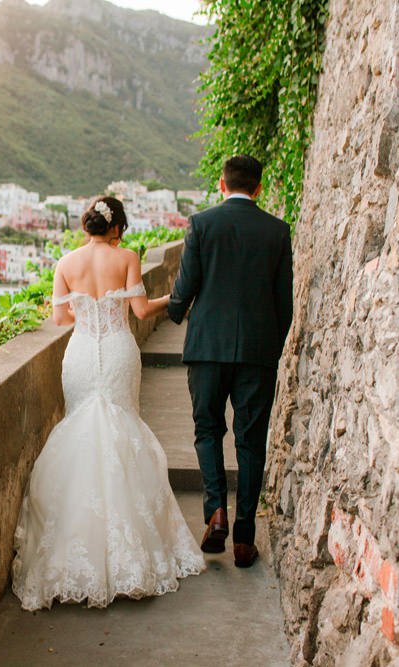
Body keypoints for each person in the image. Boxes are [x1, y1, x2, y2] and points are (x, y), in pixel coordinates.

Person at [12, 196, 205, 611]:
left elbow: (62, 320)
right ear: (116, 226)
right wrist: (174, 298)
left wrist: (88, 312)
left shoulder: (65, 263)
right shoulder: (127, 257)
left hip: (81, 354)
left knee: (81, 430)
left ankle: (76, 546)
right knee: (122, 431)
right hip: (117, 351)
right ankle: (131, 551)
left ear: (87, 226)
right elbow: (138, 310)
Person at [168, 155, 293, 568]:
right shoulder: (277, 231)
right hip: (257, 352)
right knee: (251, 441)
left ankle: (215, 511)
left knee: (207, 430)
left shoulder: (202, 225)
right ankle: (244, 537)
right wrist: (270, 350)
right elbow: (284, 304)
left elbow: (185, 286)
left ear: (222, 184)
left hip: (206, 347)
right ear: (258, 188)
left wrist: (173, 311)